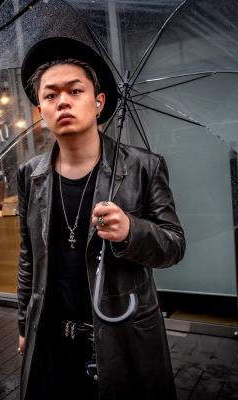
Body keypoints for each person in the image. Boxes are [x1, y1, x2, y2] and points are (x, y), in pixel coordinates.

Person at [17, 37, 185, 400]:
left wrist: (131, 231)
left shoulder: (143, 166)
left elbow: (174, 245)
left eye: (75, 91)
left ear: (99, 102)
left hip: (123, 338)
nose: (63, 101)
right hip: (50, 340)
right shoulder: (30, 175)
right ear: (40, 110)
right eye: (50, 95)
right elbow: (28, 256)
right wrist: (23, 324)